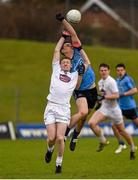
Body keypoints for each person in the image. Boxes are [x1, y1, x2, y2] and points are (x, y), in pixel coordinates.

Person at [56, 13, 97, 151]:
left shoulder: (78, 51)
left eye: (68, 44)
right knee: (83, 112)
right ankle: (66, 133)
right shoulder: (66, 65)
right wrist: (79, 73)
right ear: (64, 50)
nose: (68, 45)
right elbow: (77, 85)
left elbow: (72, 32)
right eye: (67, 44)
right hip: (80, 90)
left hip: (92, 88)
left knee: (85, 117)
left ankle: (76, 135)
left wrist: (63, 21)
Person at [44, 37, 85, 173]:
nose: (66, 63)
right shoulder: (56, 70)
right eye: (64, 62)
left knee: (60, 138)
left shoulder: (74, 76)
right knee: (51, 138)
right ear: (60, 64)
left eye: (68, 62)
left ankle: (59, 164)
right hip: (51, 107)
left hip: (63, 109)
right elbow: (56, 50)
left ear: (71, 65)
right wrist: (63, 37)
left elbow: (78, 85)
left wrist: (80, 73)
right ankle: (50, 150)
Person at [88, 63, 136, 160]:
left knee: (122, 131)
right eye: (101, 70)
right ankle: (103, 141)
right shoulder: (100, 82)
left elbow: (116, 95)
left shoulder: (112, 81)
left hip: (114, 110)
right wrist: (99, 102)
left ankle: (132, 148)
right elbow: (102, 95)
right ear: (99, 72)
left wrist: (104, 97)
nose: (103, 72)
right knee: (91, 123)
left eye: (105, 70)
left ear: (109, 71)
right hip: (105, 108)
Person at [112, 63, 138, 154]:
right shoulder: (116, 80)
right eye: (118, 70)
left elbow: (135, 90)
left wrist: (124, 94)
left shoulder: (128, 79)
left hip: (130, 107)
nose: (120, 72)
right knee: (114, 126)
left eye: (121, 70)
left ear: (124, 70)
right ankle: (122, 144)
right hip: (120, 108)